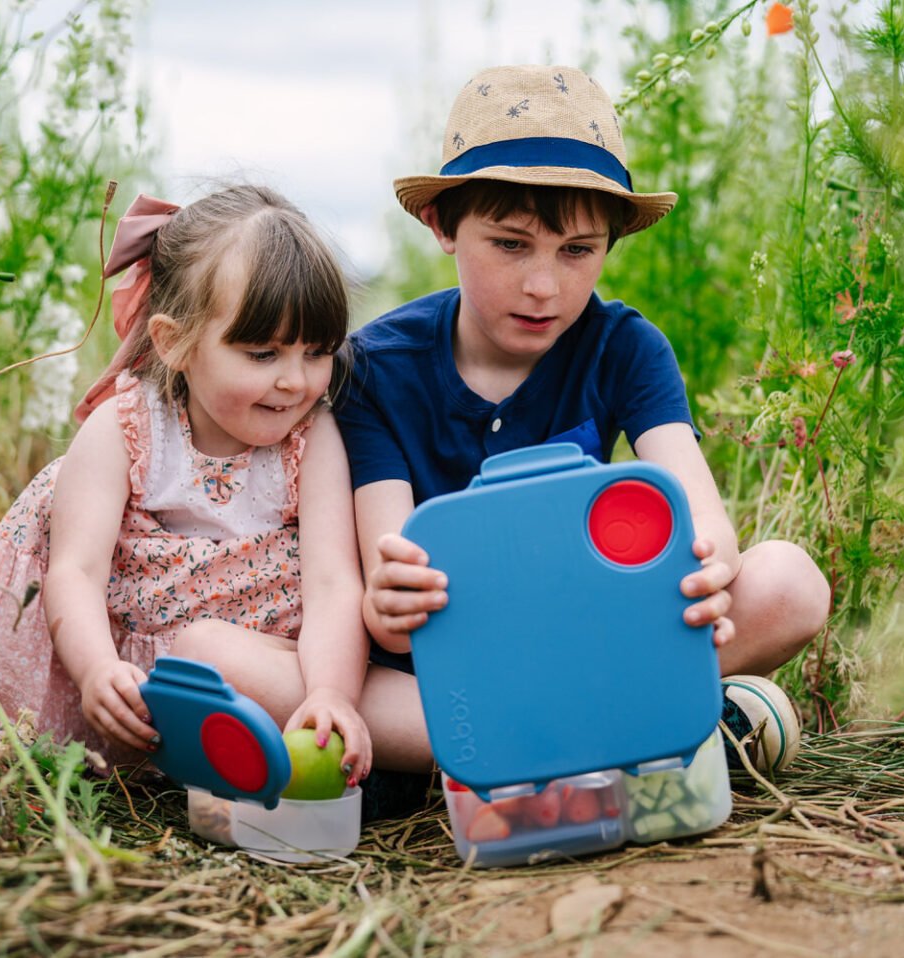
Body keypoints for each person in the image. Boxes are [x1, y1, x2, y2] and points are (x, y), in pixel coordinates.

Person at [335, 65, 832, 779]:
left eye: (578, 251)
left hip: (591, 641)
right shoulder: (375, 368)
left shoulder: (625, 347)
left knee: (790, 583)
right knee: (305, 683)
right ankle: (639, 735)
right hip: (449, 677)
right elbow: (392, 592)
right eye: (509, 244)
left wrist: (708, 567)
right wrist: (390, 604)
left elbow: (702, 516)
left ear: (610, 243)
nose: (544, 286)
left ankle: (543, 751)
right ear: (442, 224)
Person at [0, 185, 377, 798]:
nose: (294, 381)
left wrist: (329, 692)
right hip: (135, 667)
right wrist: (97, 669)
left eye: (316, 353)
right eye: (262, 353)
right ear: (173, 342)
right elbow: (76, 570)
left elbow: (331, 583)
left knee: (289, 701)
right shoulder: (129, 429)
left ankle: (330, 748)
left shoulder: (312, 439)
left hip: (252, 668)